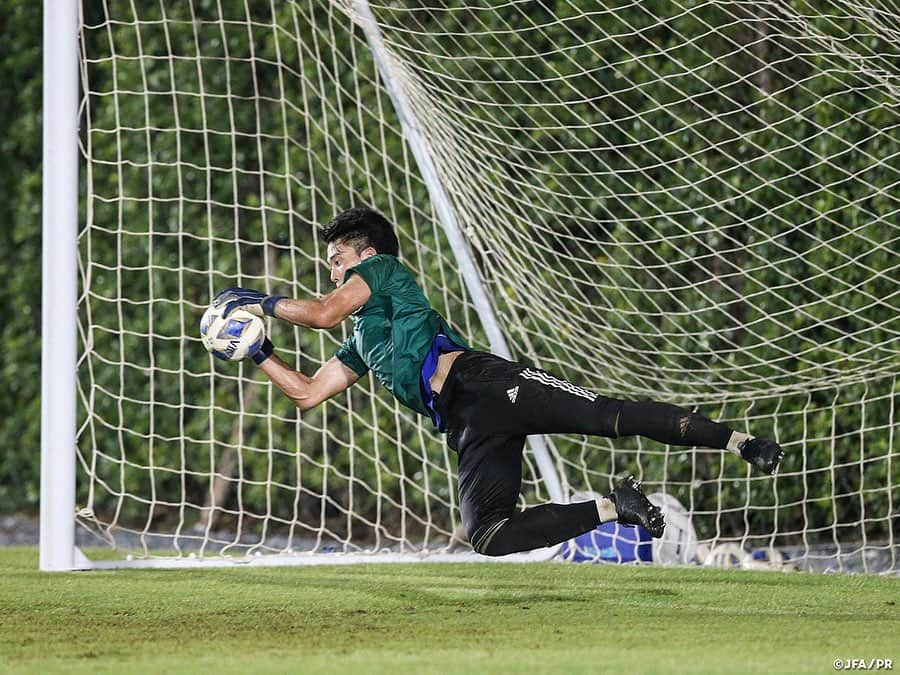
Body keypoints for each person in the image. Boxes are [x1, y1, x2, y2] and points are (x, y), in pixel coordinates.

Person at [213, 207, 783, 556]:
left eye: (337, 259)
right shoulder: (361, 336)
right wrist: (260, 350)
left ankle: (738, 441)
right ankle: (615, 507)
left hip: (487, 383)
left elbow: (321, 312)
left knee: (607, 417)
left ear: (366, 255)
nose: (331, 269)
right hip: (466, 423)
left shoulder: (382, 271)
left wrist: (259, 300)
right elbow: (309, 394)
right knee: (489, 535)